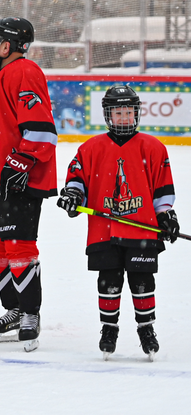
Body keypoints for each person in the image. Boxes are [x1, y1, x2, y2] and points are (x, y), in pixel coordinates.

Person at [57, 85, 178, 361]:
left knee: (142, 281)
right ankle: (109, 329)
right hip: (105, 231)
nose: (123, 118)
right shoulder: (91, 148)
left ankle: (146, 329)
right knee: (108, 281)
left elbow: (162, 190)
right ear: (108, 115)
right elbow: (77, 177)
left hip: (142, 228)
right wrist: (73, 194)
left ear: (136, 113)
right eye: (118, 112)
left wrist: (166, 216)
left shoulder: (154, 148)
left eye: (127, 112)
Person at [0, 17, 57, 352]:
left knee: (18, 246)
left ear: (7, 46)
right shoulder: (0, 76)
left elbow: (42, 129)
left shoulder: (22, 72)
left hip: (21, 179)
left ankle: (29, 313)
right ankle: (13, 309)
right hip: (0, 178)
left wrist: (22, 161)